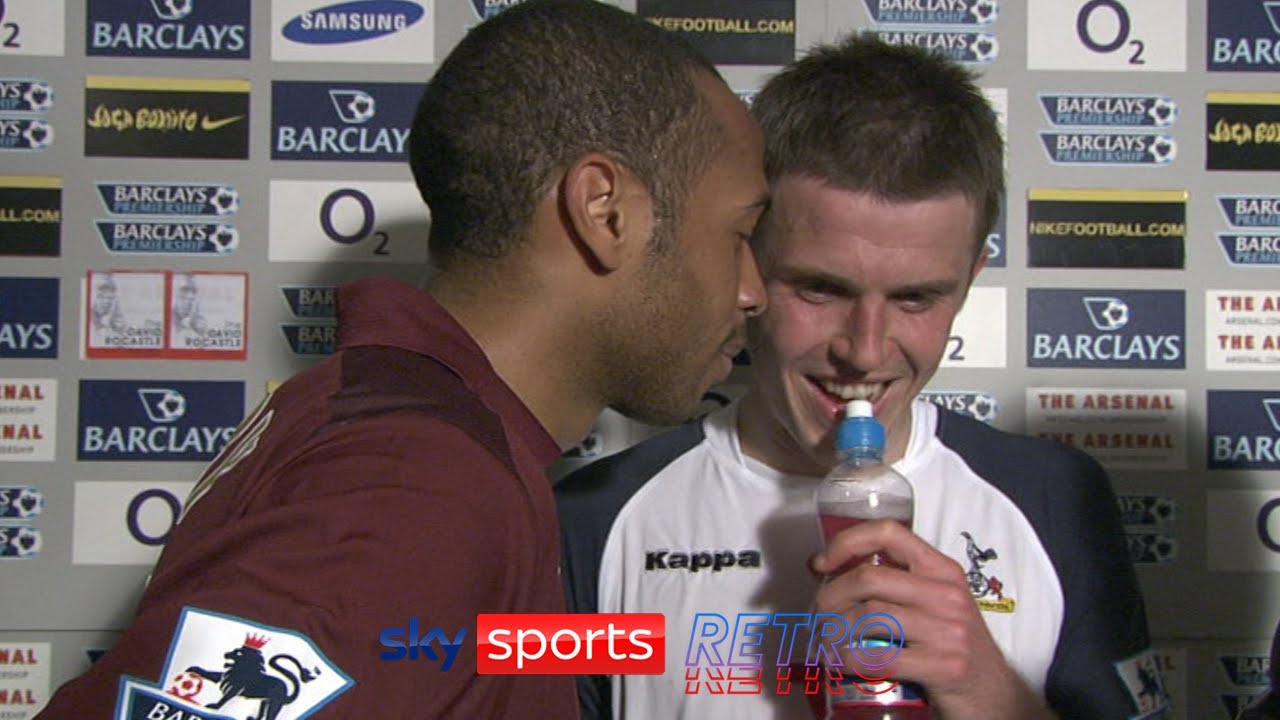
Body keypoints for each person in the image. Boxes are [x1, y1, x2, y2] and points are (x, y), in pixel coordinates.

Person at [39, 1, 767, 718]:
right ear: (605, 212)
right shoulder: (414, 486)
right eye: (738, 234)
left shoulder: (418, 443)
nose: (752, 291)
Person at [557, 34, 1164, 720]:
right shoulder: (599, 522)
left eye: (915, 298)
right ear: (749, 261)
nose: (866, 352)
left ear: (968, 282)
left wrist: (990, 694)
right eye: (820, 290)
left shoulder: (1055, 500)